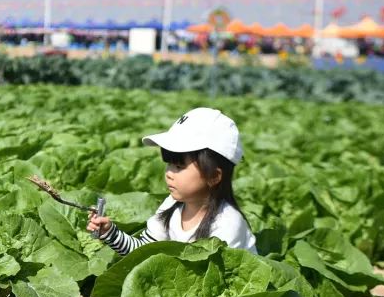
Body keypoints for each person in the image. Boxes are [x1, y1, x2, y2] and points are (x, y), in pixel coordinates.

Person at [87, 107, 257, 255]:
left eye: (179, 166)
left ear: (213, 176)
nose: (169, 173)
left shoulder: (228, 224)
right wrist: (110, 232)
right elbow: (144, 252)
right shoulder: (172, 205)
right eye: (169, 164)